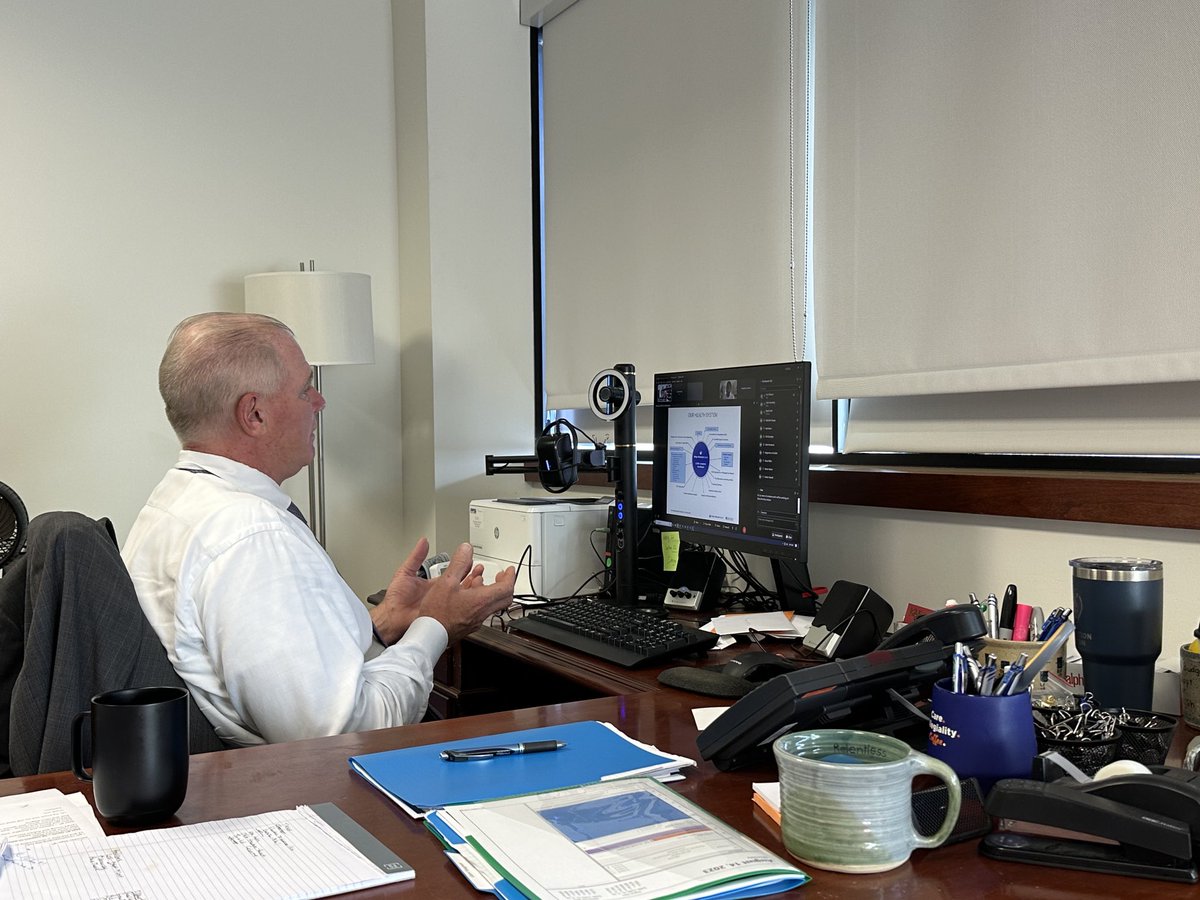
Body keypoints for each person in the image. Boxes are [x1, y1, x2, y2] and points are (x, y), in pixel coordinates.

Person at [122, 312, 516, 746]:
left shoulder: (172, 502)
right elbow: (344, 732)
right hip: (316, 786)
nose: (319, 402)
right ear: (254, 414)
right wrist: (436, 626)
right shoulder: (252, 536)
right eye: (304, 388)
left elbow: (262, 661)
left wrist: (381, 625)